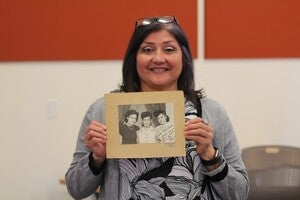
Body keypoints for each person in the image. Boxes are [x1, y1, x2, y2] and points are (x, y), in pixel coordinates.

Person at [65, 16, 249, 199]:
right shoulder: (104, 111)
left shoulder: (212, 112)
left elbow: (239, 193)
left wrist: (210, 155)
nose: (158, 58)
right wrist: (96, 158)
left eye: (169, 49)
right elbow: (76, 189)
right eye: (147, 49)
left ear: (184, 58)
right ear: (134, 58)